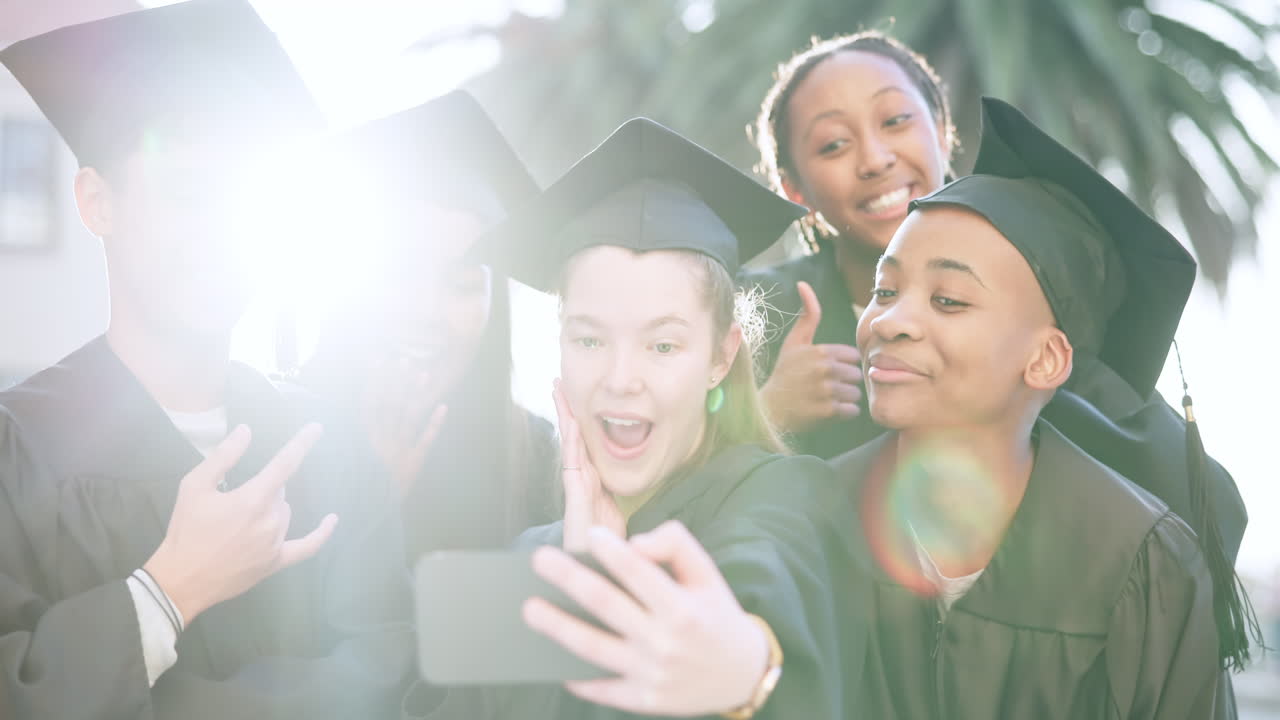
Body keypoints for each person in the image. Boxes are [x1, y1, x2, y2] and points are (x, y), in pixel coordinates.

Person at [0, 1, 410, 717]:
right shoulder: (14, 451)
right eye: (191, 191)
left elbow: (388, 686)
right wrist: (169, 592)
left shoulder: (332, 449)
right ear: (99, 202)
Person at [744, 30, 1249, 605]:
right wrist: (765, 412)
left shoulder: (1034, 294)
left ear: (941, 132)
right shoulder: (760, 315)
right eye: (833, 145)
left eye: (896, 121)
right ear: (793, 189)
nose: (875, 158)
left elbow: (1192, 512)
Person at [409, 118, 858, 719]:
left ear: (721, 357)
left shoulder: (783, 499)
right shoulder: (528, 558)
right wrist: (582, 570)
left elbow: (761, 596)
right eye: (590, 341)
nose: (620, 379)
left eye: (663, 345)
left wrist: (751, 669)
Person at [833, 96, 1234, 719]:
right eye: (885, 289)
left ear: (1046, 360)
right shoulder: (810, 511)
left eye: (949, 300)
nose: (891, 321)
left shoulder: (1140, 563)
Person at [291, 90, 559, 558]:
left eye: (462, 285)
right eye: (400, 273)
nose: (427, 312)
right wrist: (370, 503)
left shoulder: (539, 463)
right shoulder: (279, 438)